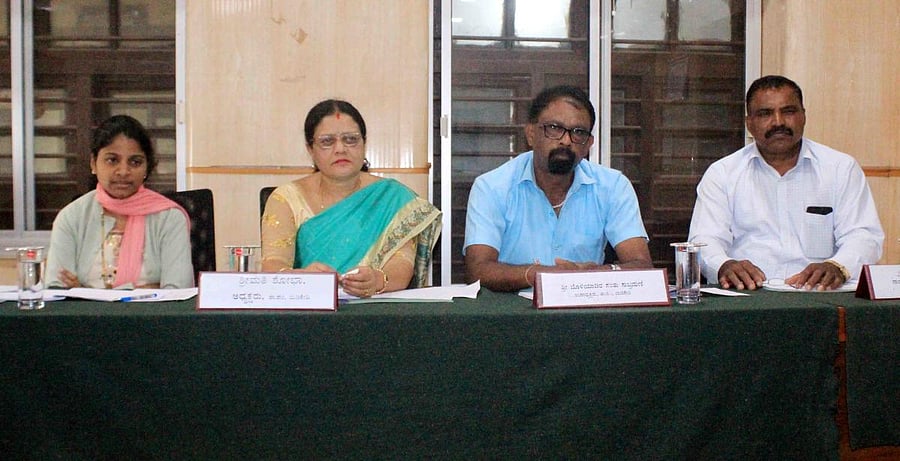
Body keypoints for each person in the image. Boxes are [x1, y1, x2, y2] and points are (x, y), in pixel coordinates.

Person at [688, 75, 884, 291]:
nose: (778, 122)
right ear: (749, 123)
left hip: (819, 294)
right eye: (765, 113)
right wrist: (724, 265)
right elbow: (704, 240)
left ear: (803, 116)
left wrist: (837, 266)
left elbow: (864, 236)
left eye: (788, 111)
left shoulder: (840, 169)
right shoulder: (723, 174)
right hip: (749, 296)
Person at [464, 85, 653, 292]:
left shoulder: (613, 187)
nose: (566, 140)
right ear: (531, 134)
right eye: (554, 128)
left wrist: (597, 274)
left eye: (578, 132)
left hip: (585, 306)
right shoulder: (492, 187)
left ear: (588, 144)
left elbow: (642, 266)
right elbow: (478, 270)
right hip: (511, 308)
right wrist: (539, 275)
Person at [260, 99, 442, 297]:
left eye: (350, 139)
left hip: (376, 308)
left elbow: (401, 267)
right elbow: (273, 265)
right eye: (327, 141)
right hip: (308, 308)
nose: (340, 149)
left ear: (364, 143)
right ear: (310, 149)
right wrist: (302, 278)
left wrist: (377, 280)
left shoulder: (394, 199)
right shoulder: (286, 199)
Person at [46, 115, 194, 289]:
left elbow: (177, 291)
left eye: (135, 162)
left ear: (147, 168)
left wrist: (85, 291)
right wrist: (150, 288)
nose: (123, 171)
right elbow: (57, 289)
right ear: (93, 164)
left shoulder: (169, 218)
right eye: (112, 160)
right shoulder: (72, 217)